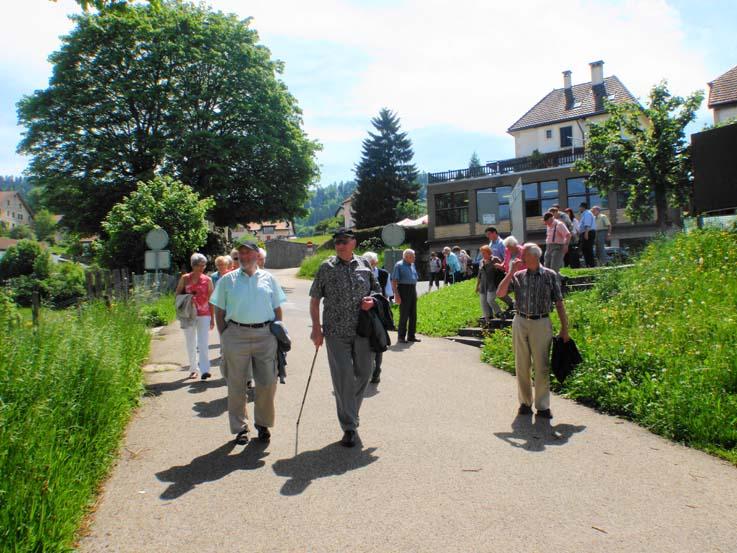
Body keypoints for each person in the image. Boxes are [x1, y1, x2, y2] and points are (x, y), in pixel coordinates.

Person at [210, 238, 287, 445]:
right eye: (241, 253)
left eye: (248, 253)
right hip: (236, 335)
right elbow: (219, 311)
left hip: (265, 335)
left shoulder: (269, 279)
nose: (244, 257)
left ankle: (263, 423)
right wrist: (224, 336)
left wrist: (278, 331)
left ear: (257, 255)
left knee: (267, 382)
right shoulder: (227, 280)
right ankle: (240, 428)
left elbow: (277, 308)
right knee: (236, 384)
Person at [309, 228, 380, 447]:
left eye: (343, 241)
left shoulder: (365, 265)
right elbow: (314, 300)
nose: (339, 245)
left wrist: (372, 301)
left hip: (362, 330)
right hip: (335, 332)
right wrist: (316, 328)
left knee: (365, 373)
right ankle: (349, 426)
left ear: (353, 243)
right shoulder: (326, 267)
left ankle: (351, 412)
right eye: (337, 242)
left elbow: (377, 291)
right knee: (343, 378)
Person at [497, 243, 569, 419]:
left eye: (523, 254)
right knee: (522, 365)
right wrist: (510, 272)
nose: (520, 257)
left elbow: (559, 303)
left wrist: (564, 328)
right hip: (520, 321)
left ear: (534, 256)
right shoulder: (518, 276)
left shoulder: (550, 275)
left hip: (542, 322)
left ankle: (543, 406)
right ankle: (525, 403)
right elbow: (500, 293)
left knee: (541, 365)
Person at [176, 253, 215, 380]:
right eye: (199, 265)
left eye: (204, 265)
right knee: (190, 342)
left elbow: (211, 300)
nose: (202, 268)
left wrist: (212, 318)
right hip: (189, 314)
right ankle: (193, 369)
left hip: (204, 314)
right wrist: (187, 298)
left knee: (203, 343)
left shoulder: (208, 280)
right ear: (193, 265)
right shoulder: (185, 278)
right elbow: (177, 294)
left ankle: (205, 370)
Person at [363, 251, 391, 383]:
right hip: (363, 312)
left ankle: (376, 371)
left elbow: (387, 293)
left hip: (378, 312)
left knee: (378, 341)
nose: (371, 266)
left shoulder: (383, 274)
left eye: (372, 263)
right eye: (369, 263)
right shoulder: (359, 273)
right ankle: (368, 369)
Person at [392, 248, 420, 344]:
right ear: (406, 257)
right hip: (403, 290)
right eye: (413, 256)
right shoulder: (399, 265)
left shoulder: (412, 265)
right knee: (404, 314)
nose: (414, 258)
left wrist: (415, 292)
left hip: (412, 289)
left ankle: (411, 336)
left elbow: (414, 278)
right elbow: (394, 281)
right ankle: (401, 337)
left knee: (413, 314)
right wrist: (396, 295)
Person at [476, 245, 503, 322]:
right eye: (482, 253)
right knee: (483, 302)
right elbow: (479, 275)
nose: (483, 255)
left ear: (489, 252)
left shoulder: (495, 259)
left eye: (484, 253)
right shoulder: (481, 262)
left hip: (493, 283)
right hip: (483, 284)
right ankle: (487, 318)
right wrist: (477, 286)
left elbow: (502, 270)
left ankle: (498, 312)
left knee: (490, 300)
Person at [578, 202, 597, 267]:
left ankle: (591, 265)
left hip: (588, 232)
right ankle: (588, 264)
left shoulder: (587, 213)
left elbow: (587, 224)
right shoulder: (584, 214)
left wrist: (586, 234)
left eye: (580, 207)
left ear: (583, 207)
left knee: (588, 249)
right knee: (585, 249)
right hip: (586, 232)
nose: (579, 208)